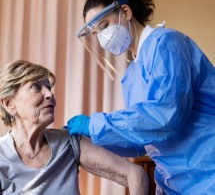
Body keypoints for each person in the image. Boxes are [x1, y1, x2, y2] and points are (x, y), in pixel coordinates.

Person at [67, 0, 215, 195]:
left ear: (126, 12)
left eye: (104, 25)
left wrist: (95, 124)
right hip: (173, 183)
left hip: (207, 173)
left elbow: (166, 116)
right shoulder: (131, 77)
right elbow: (142, 140)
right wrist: (94, 137)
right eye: (96, 33)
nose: (102, 38)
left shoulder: (166, 43)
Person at [0, 60, 149, 195]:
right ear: (8, 103)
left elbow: (135, 174)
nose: (49, 94)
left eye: (48, 87)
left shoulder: (69, 142)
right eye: (36, 87)